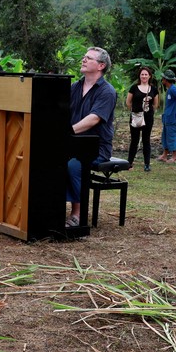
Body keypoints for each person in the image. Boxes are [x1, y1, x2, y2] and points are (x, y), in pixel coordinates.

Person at [66, 46, 116, 228]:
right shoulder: (75, 87)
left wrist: (67, 131)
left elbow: (94, 119)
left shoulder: (107, 91)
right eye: (84, 57)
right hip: (73, 144)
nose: (83, 60)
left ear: (101, 65)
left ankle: (77, 214)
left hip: (96, 148)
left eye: (89, 58)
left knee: (73, 165)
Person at [125, 66, 160, 171]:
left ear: (149, 76)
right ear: (139, 76)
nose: (144, 76)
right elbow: (128, 102)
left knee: (146, 140)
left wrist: (149, 112)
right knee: (134, 140)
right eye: (142, 74)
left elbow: (155, 104)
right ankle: (129, 163)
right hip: (135, 116)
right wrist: (133, 110)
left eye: (146, 74)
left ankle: (147, 164)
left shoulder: (153, 89)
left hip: (148, 117)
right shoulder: (134, 88)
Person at [156, 69, 176, 163]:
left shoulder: (173, 89)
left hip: (172, 118)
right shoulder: (169, 90)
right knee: (165, 136)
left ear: (166, 80)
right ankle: (164, 155)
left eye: (163, 78)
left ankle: (173, 157)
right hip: (167, 117)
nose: (162, 80)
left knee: (172, 136)